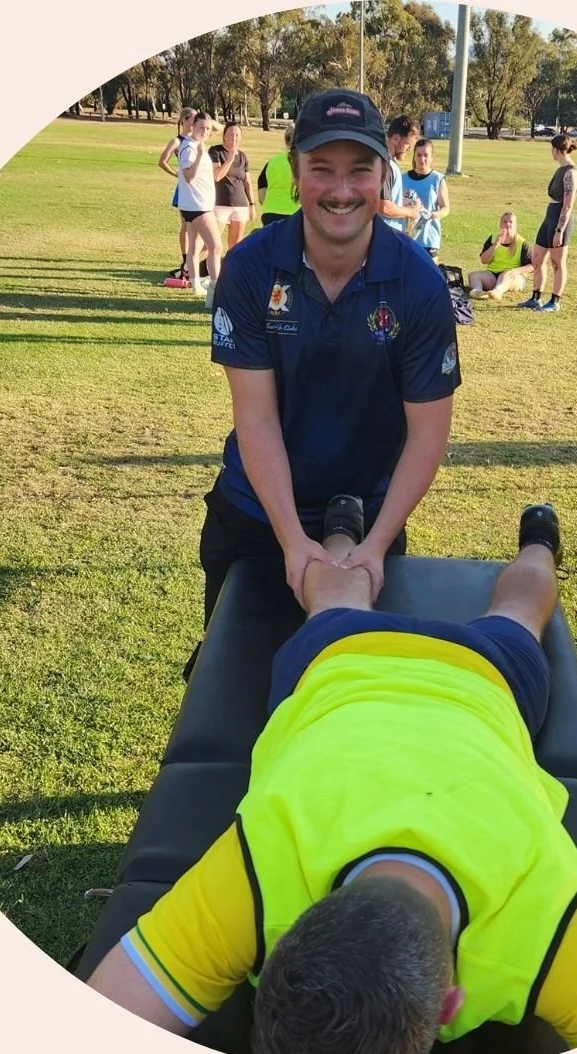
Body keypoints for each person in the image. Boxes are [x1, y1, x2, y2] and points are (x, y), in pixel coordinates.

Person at [87, 503, 577, 1054]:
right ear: (450, 1009)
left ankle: (361, 531)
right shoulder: (259, 874)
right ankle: (534, 540)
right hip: (396, 672)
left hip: (420, 675)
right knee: (508, 609)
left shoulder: (548, 922)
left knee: (363, 600)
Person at [192, 87, 459, 643]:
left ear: (384, 174)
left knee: (356, 684)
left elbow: (427, 434)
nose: (341, 191)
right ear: (295, 173)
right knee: (236, 695)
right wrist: (293, 541)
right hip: (256, 514)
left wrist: (378, 544)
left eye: (359, 170)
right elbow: (257, 418)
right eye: (322, 169)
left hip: (371, 522)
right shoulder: (248, 270)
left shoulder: (418, 284)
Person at [518, 134, 577, 314]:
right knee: (537, 258)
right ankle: (535, 298)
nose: (550, 153)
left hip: (560, 220)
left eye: (551, 149)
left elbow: (568, 205)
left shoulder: (571, 173)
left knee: (557, 262)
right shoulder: (560, 169)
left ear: (556, 149)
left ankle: (554, 301)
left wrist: (559, 230)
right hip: (549, 216)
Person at [176, 112, 224, 299]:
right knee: (216, 247)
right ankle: (215, 287)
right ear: (193, 126)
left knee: (194, 248)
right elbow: (189, 176)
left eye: (208, 129)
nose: (205, 131)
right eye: (201, 127)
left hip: (194, 205)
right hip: (198, 206)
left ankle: (196, 285)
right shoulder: (190, 148)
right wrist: (199, 156)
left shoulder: (196, 145)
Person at [158, 107, 197, 279]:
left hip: (198, 187)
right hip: (184, 189)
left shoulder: (197, 139)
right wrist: (176, 173)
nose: (193, 121)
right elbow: (162, 161)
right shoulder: (177, 141)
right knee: (186, 227)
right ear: (183, 120)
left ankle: (192, 261)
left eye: (195, 118)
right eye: (190, 118)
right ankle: (185, 261)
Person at [210, 121, 257, 252]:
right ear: (224, 136)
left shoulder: (243, 156)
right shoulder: (216, 152)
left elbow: (247, 182)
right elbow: (217, 176)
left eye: (237, 135)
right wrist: (230, 159)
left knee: (235, 246)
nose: (234, 138)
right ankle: (190, 270)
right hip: (220, 203)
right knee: (212, 244)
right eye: (231, 134)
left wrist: (252, 204)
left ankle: (230, 272)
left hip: (240, 205)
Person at [401, 138, 450, 260]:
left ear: (432, 157)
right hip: (407, 237)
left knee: (429, 277)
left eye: (426, 155)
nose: (422, 159)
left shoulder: (437, 179)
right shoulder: (403, 178)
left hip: (429, 239)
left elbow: (446, 208)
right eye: (419, 155)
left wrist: (433, 214)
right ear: (414, 156)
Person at [469, 212, 533, 300]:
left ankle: (497, 291)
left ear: (515, 225)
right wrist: (495, 245)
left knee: (506, 274)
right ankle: (478, 291)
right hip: (493, 275)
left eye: (511, 222)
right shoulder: (493, 239)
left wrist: (517, 271)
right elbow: (484, 261)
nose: (507, 224)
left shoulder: (522, 243)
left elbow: (532, 266)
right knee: (473, 275)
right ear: (500, 224)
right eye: (505, 221)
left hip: (513, 276)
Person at [379, 114, 421, 234]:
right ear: (396, 138)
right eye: (408, 145)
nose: (409, 149)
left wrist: (406, 203)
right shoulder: (385, 164)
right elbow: (384, 206)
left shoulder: (391, 162)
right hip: (386, 235)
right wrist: (410, 212)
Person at [256, 124, 300, 226]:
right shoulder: (302, 162)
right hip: (295, 212)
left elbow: (261, 191)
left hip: (270, 213)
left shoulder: (272, 162)